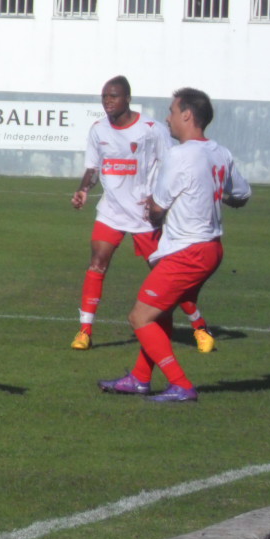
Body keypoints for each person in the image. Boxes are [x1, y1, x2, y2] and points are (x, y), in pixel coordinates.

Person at [99, 87, 251, 402]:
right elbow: (241, 194)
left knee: (139, 317)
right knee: (160, 314)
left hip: (188, 251)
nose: (168, 118)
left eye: (171, 111)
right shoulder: (220, 152)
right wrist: (213, 194)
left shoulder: (180, 155)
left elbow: (158, 207)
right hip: (210, 248)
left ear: (187, 115)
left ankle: (180, 384)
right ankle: (140, 378)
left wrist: (152, 212)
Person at [70, 76, 216, 352]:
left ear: (127, 98)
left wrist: (159, 198)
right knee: (97, 264)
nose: (108, 101)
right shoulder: (98, 130)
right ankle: (84, 331)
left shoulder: (152, 129)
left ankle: (199, 327)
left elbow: (171, 165)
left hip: (145, 216)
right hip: (111, 212)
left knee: (166, 275)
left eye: (113, 96)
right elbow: (93, 168)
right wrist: (83, 190)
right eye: (104, 96)